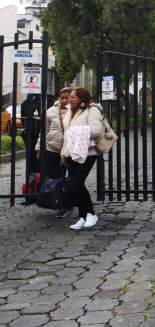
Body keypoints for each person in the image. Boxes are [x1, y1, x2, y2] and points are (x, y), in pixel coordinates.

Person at [60, 87, 103, 230]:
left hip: (88, 152)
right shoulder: (69, 112)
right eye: (69, 97)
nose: (69, 100)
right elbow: (67, 134)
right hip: (72, 152)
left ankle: (91, 213)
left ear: (82, 99)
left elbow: (97, 130)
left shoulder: (92, 110)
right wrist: (63, 153)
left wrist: (77, 132)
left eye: (73, 97)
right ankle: (83, 217)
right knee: (74, 184)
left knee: (77, 184)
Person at [36, 88, 72, 217]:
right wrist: (40, 148)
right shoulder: (51, 111)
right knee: (56, 176)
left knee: (72, 177)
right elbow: (44, 131)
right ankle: (59, 204)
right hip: (52, 148)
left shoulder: (75, 111)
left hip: (70, 149)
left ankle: (70, 201)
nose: (64, 100)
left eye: (67, 97)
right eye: (62, 97)